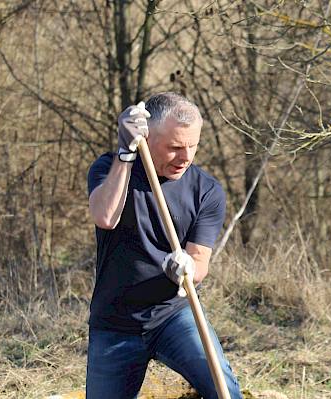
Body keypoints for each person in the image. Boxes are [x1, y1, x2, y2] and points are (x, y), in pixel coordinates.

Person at [86, 92, 241, 398]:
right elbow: (105, 216)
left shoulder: (206, 190)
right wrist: (125, 155)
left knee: (225, 389)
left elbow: (200, 262)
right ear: (147, 137)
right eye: (174, 147)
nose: (186, 157)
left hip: (174, 315)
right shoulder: (110, 168)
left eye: (193, 146)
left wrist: (186, 267)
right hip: (115, 321)